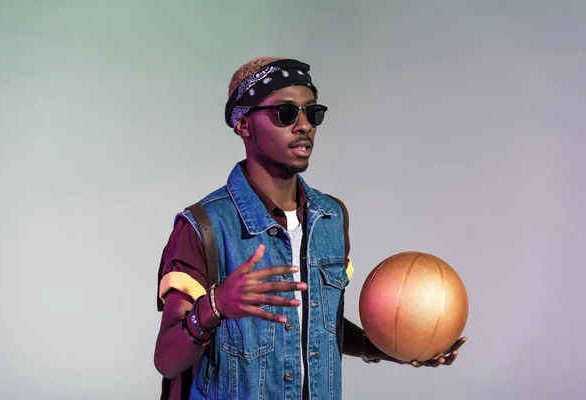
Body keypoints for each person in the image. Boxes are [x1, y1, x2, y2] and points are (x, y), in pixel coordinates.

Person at [153, 56, 466, 400]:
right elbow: (167, 360)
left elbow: (319, 330)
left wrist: (400, 344)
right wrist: (216, 306)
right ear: (244, 124)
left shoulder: (330, 218)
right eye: (286, 113)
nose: (304, 125)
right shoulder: (204, 228)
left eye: (312, 112)